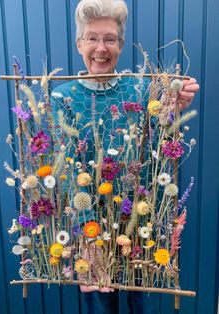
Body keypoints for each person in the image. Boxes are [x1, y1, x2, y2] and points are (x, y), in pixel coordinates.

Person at [52, 0, 199, 313]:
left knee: (138, 306)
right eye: (92, 38)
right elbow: (65, 172)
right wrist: (88, 241)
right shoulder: (62, 98)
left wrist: (176, 102)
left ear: (120, 44)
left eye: (110, 39)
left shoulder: (142, 90)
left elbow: (164, 131)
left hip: (138, 226)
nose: (101, 48)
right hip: (88, 228)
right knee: (101, 307)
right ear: (79, 43)